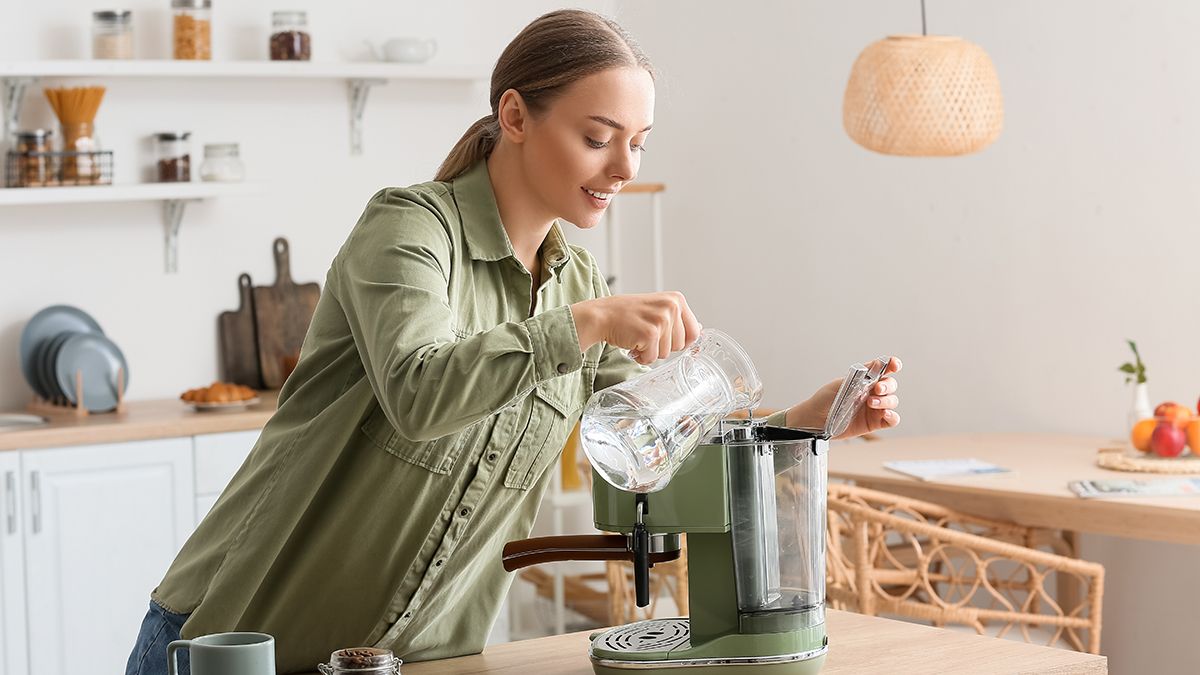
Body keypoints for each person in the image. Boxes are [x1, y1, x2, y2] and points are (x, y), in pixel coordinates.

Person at [125, 9, 902, 675]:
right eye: (599, 137)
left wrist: (803, 424)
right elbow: (420, 392)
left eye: (639, 142)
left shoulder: (577, 283)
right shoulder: (409, 230)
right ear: (517, 116)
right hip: (235, 643)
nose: (624, 166)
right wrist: (587, 324)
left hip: (419, 660)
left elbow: (648, 451)